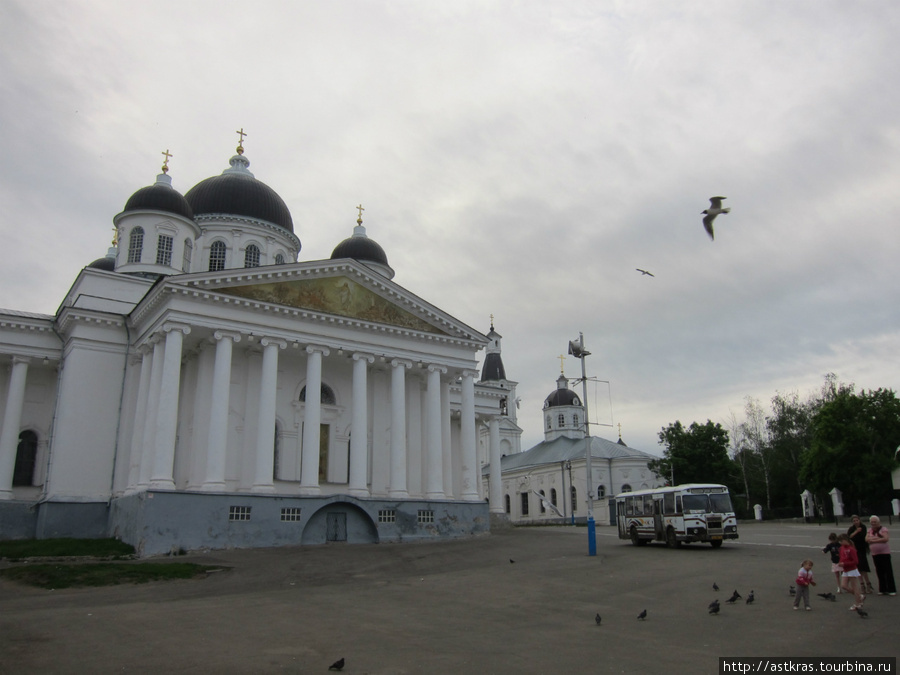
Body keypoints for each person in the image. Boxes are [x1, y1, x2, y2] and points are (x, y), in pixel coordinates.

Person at [866, 515, 897, 596]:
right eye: (872, 522)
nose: (873, 523)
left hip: (885, 553)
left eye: (875, 522)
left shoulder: (883, 529)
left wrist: (874, 540)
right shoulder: (870, 530)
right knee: (879, 571)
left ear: (878, 522)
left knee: (888, 571)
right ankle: (882, 589)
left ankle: (891, 589)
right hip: (875, 554)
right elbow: (867, 539)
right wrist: (877, 540)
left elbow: (885, 539)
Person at [847, 514, 874, 594]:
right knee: (858, 568)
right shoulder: (851, 529)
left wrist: (855, 534)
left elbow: (862, 537)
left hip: (862, 549)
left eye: (857, 520)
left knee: (864, 567)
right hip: (854, 550)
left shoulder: (863, 527)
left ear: (859, 520)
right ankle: (862, 585)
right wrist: (856, 532)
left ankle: (868, 584)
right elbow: (849, 537)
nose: (856, 522)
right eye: (854, 521)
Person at [837, 533, 864, 610]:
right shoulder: (842, 548)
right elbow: (842, 557)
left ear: (846, 540)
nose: (840, 543)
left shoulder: (851, 549)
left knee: (855, 587)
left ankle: (858, 603)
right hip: (845, 569)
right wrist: (840, 563)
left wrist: (845, 563)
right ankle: (860, 596)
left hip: (852, 569)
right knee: (844, 586)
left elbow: (856, 561)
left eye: (841, 541)